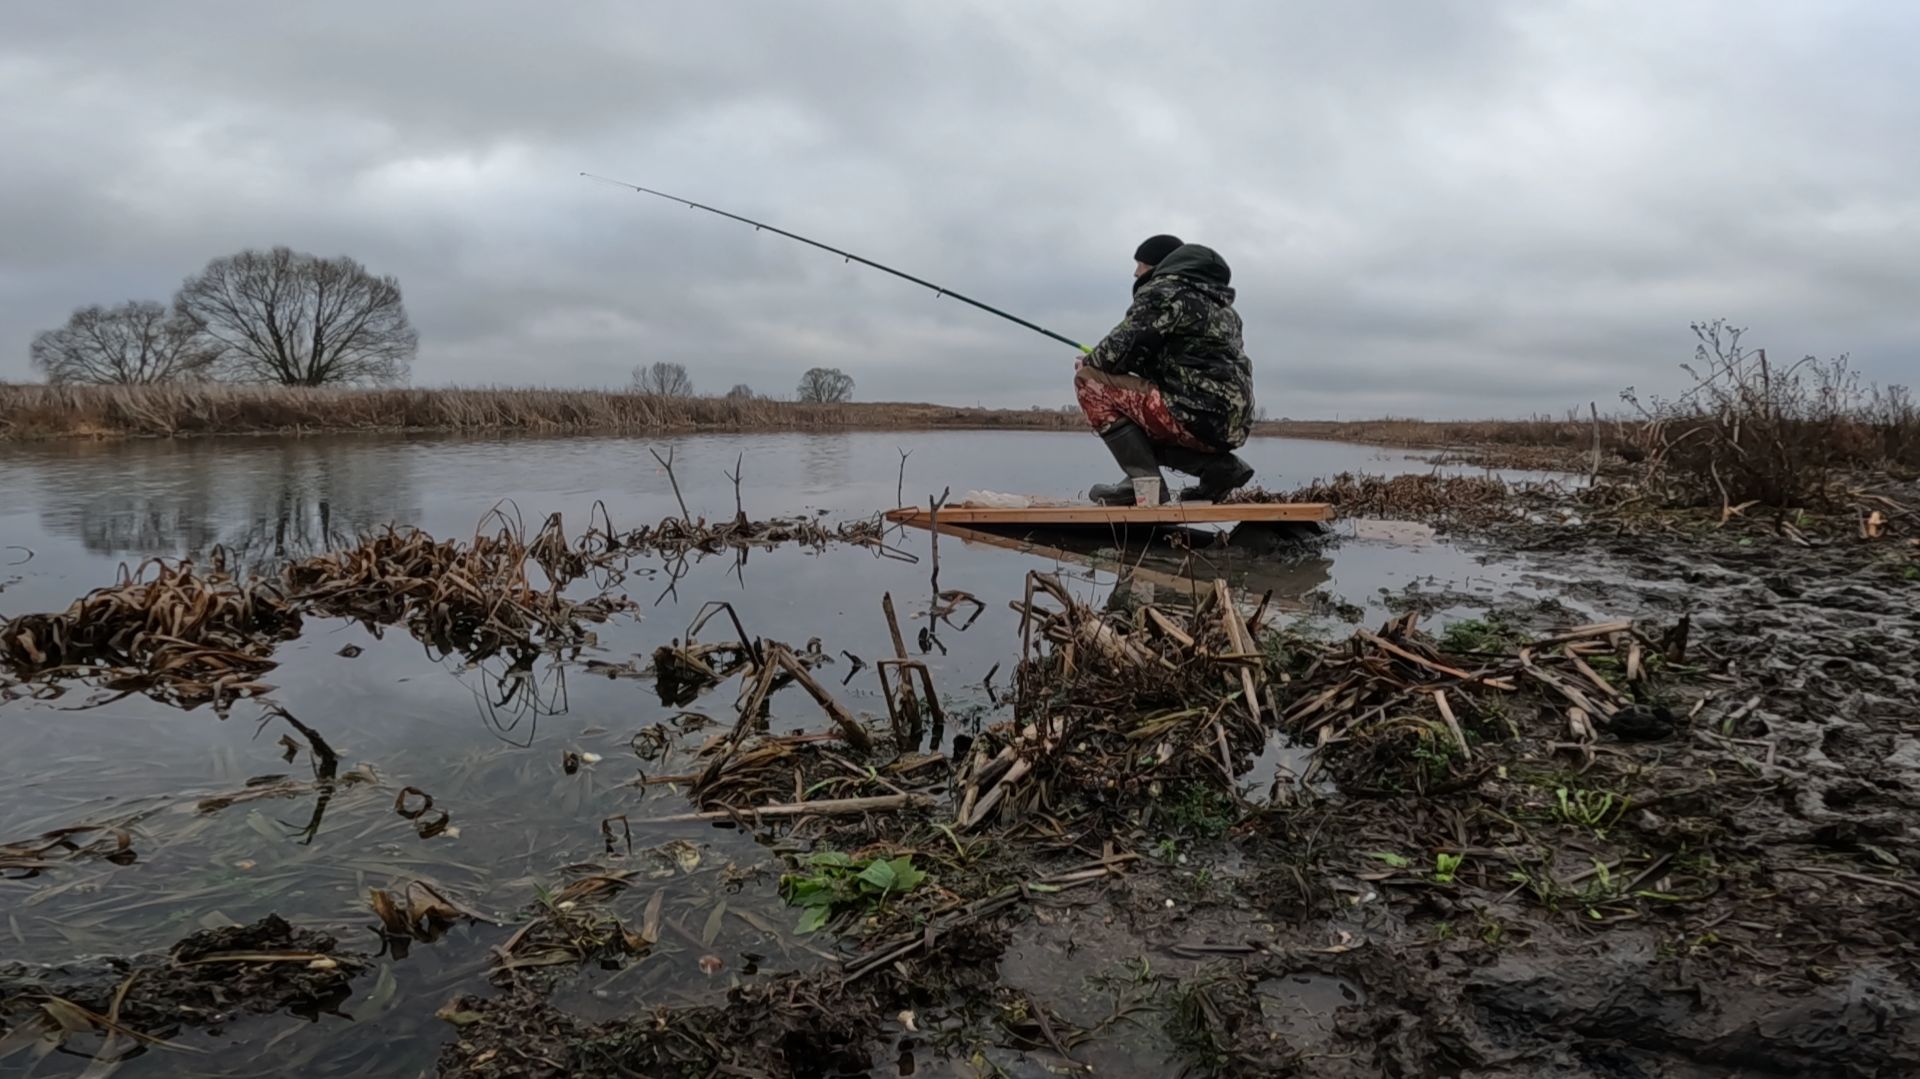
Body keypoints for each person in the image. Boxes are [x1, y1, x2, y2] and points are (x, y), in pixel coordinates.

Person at [1075, 234, 1256, 505]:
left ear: (1159, 266)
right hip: (1231, 423)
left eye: (1140, 264)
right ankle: (1219, 468)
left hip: (1191, 412)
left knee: (1088, 380)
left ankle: (1143, 484)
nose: (1135, 272)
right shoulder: (1224, 310)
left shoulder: (1165, 293)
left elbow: (1114, 353)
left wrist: (1089, 363)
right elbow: (1185, 363)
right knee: (1141, 419)